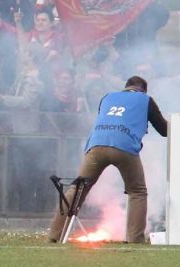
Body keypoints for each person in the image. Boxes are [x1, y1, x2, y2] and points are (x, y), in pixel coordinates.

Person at [48, 76, 167, 244]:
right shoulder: (145, 100)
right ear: (143, 89)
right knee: (137, 192)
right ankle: (135, 239)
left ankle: (55, 235)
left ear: (126, 87)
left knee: (77, 189)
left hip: (96, 146)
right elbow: (164, 130)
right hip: (125, 147)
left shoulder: (108, 97)